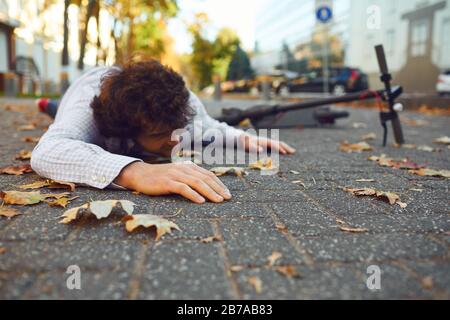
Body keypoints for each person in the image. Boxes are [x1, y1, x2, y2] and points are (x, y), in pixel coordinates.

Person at [31, 60, 295, 204]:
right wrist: (135, 172)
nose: (176, 140)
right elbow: (48, 151)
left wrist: (243, 138)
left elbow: (207, 126)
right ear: (128, 130)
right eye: (159, 135)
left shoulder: (182, 101)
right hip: (80, 96)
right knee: (61, 116)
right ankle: (50, 106)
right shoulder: (89, 106)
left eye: (176, 130)